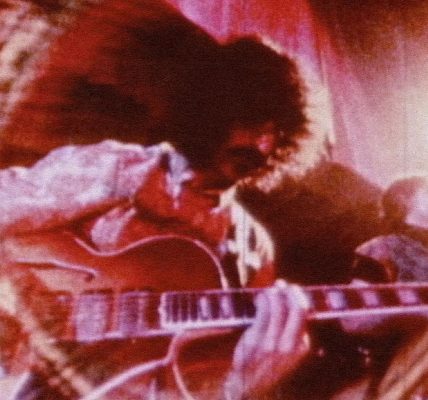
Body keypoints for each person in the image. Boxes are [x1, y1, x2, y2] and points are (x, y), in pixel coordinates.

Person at [0, 0, 311, 398]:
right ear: (212, 110)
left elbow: (206, 382)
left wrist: (246, 385)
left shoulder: (252, 248)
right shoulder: (115, 168)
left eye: (277, 134)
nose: (263, 145)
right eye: (253, 122)